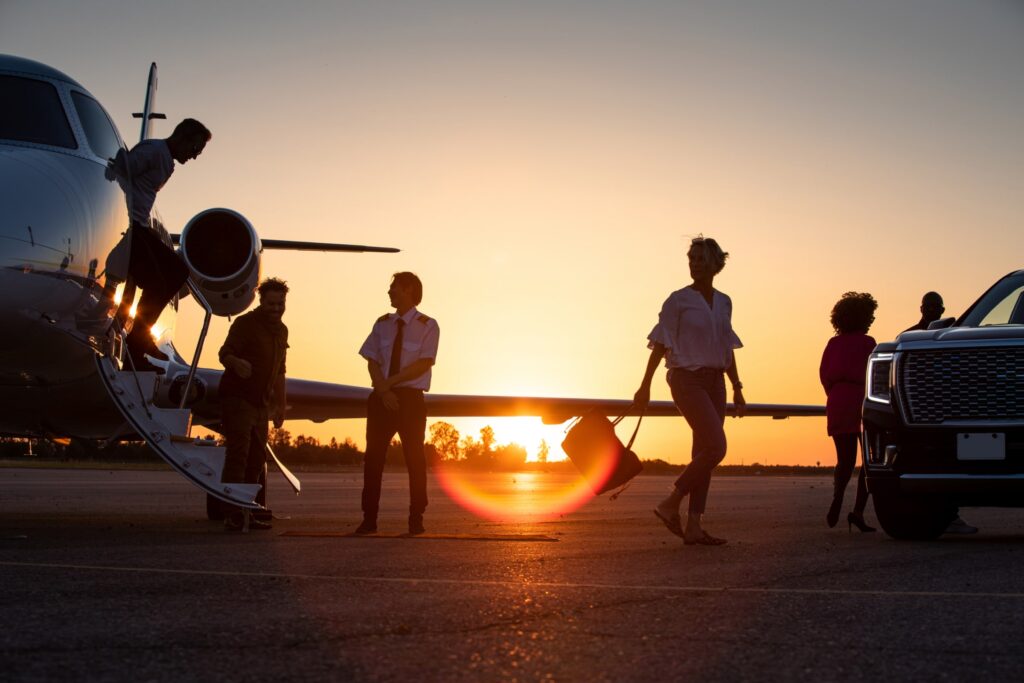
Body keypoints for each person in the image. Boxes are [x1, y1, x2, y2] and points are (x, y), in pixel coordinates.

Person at [635, 237, 745, 546]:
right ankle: (671, 502)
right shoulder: (678, 300)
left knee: (703, 454)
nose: (694, 264)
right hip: (686, 379)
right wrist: (645, 385)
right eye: (691, 258)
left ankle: (695, 526)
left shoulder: (725, 302)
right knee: (716, 447)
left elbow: (726, 346)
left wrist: (737, 386)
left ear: (715, 264)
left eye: (700, 259)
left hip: (716, 382)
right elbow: (660, 344)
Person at [108, 118, 212, 369]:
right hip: (130, 229)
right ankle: (137, 345)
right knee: (159, 281)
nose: (194, 156)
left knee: (177, 272)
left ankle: (140, 340)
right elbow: (120, 169)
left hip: (141, 227)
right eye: (194, 148)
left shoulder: (166, 161)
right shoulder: (154, 151)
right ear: (182, 137)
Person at [356, 272, 440, 536]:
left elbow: (424, 363)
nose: (389, 292)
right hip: (381, 399)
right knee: (373, 459)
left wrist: (389, 384)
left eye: (394, 288)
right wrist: (383, 390)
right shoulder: (382, 324)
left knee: (415, 459)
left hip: (410, 400)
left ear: (409, 290)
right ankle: (369, 519)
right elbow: (372, 359)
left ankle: (416, 517)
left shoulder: (428, 325)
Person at [904, 292, 979, 535]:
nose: (932, 310)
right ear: (921, 308)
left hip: (946, 411)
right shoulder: (909, 337)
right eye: (928, 306)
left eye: (936, 307)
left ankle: (950, 516)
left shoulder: (952, 336)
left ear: (943, 310)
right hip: (918, 414)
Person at [218, 278, 289, 531]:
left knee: (257, 459)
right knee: (238, 455)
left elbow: (280, 370)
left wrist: (281, 404)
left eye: (280, 304)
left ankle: (248, 511)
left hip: (261, 404)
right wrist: (236, 363)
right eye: (271, 304)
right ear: (261, 301)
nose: (276, 309)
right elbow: (224, 353)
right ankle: (232, 513)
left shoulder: (282, 331)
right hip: (238, 399)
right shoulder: (245, 324)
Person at [820, 292, 877, 532]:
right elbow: (875, 375)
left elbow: (824, 375)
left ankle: (838, 496)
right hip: (862, 401)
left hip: (838, 399)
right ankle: (858, 511)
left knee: (844, 460)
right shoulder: (868, 343)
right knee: (869, 461)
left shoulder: (833, 344)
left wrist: (835, 394)